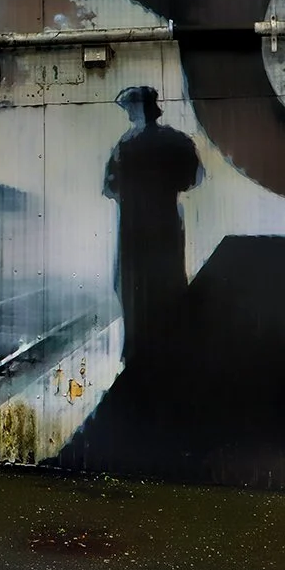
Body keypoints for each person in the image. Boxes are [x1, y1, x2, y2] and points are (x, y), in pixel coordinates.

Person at [103, 85, 202, 367]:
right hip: (166, 223)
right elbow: (194, 178)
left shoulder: (124, 145)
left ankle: (136, 347)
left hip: (133, 226)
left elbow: (110, 188)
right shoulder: (177, 140)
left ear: (137, 109)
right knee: (168, 280)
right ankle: (169, 345)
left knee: (131, 283)